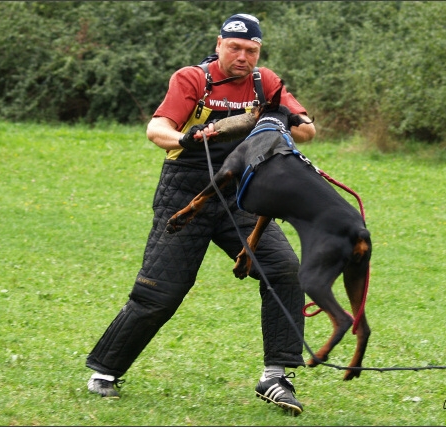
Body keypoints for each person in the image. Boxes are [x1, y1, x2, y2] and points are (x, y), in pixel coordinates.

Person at [86, 13, 316, 415]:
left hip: (241, 196)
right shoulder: (193, 79)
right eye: (235, 47)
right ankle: (105, 370)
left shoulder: (265, 82)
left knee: (283, 269)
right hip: (185, 192)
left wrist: (274, 116)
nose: (243, 56)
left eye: (251, 50)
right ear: (219, 43)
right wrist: (187, 137)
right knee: (161, 290)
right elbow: (157, 129)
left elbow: (307, 130)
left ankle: (276, 375)